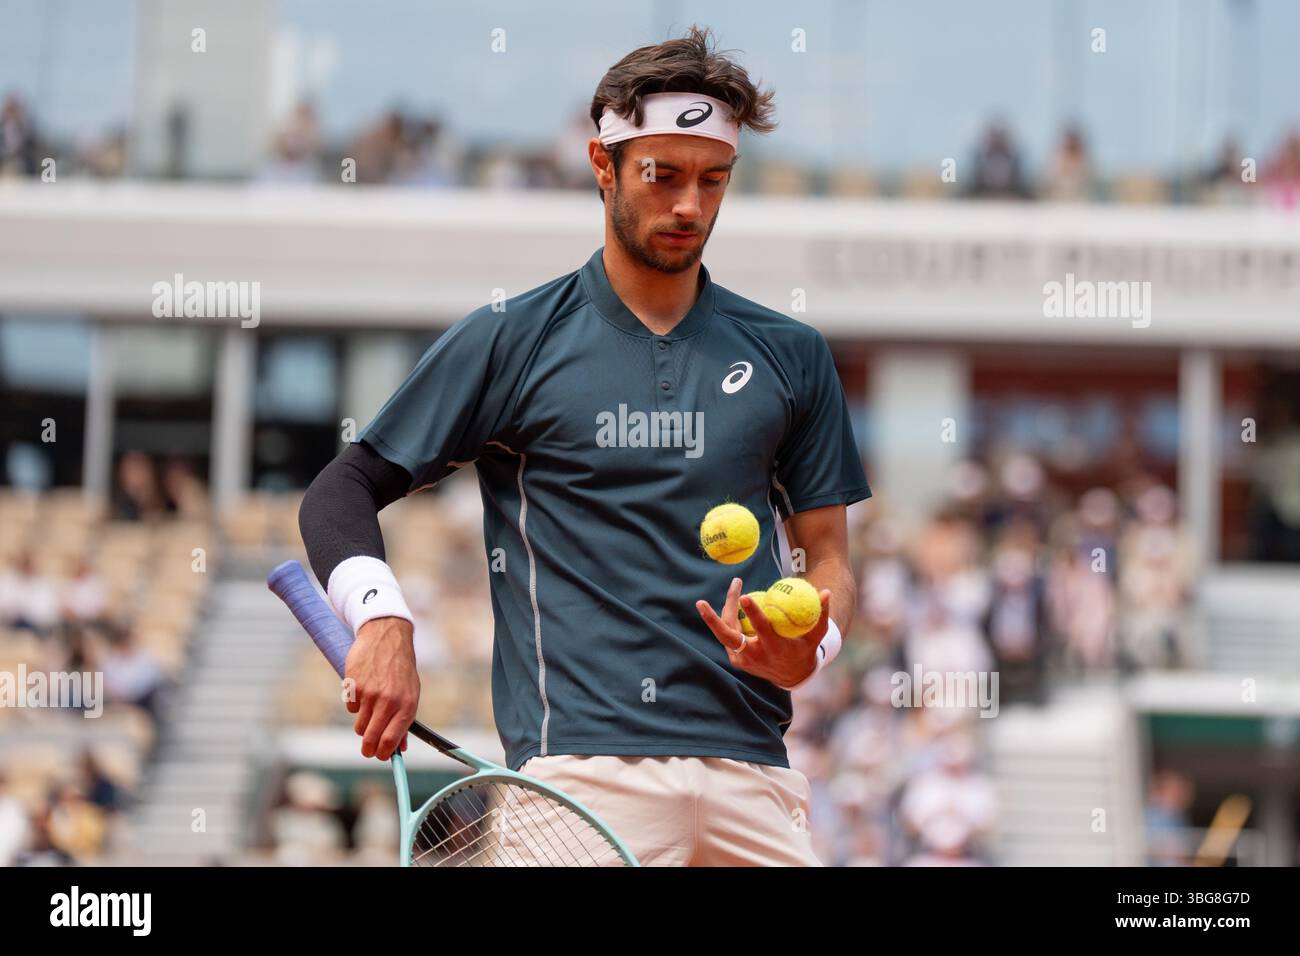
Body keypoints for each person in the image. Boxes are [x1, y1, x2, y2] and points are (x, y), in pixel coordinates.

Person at [298, 26, 870, 867]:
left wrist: (812, 644)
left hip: (757, 777)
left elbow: (829, 562)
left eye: (713, 180)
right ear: (603, 167)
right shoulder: (511, 340)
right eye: (662, 176)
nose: (690, 207)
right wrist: (381, 619)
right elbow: (340, 491)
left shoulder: (793, 354)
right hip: (577, 781)